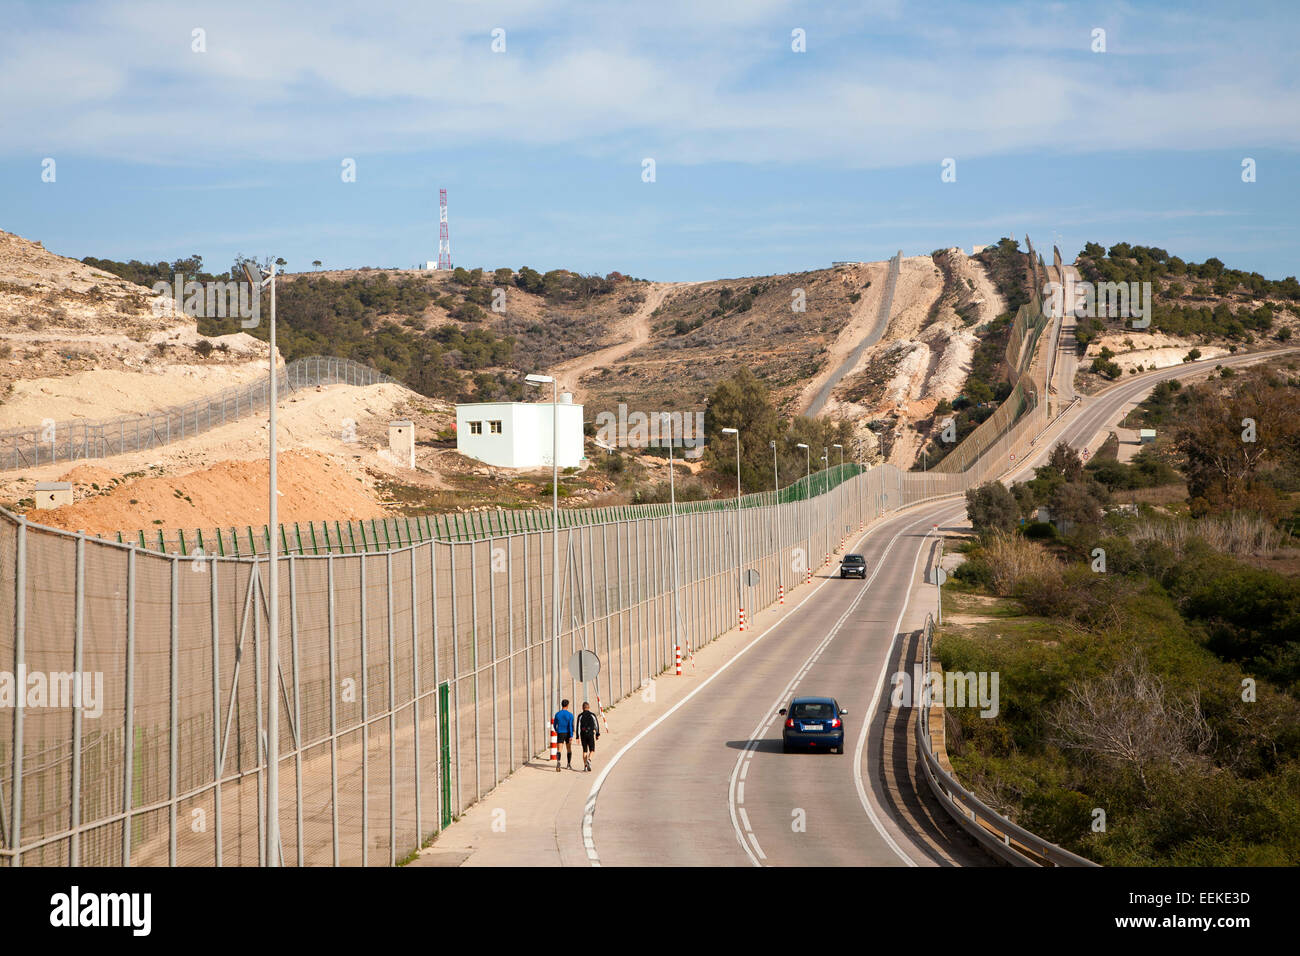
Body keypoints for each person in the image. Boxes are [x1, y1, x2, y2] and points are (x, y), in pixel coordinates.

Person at [577, 701, 600, 772]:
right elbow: (596, 724)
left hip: (583, 734)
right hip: (590, 734)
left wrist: (577, 737)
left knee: (584, 751)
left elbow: (578, 727)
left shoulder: (580, 716)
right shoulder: (592, 715)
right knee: (592, 750)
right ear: (589, 707)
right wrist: (597, 733)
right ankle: (589, 759)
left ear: (582, 708)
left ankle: (585, 766)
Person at [553, 699, 575, 771]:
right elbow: (571, 726)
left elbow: (554, 724)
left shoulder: (557, 714)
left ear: (561, 705)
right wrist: (571, 735)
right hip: (568, 733)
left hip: (560, 732)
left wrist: (557, 730)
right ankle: (568, 764)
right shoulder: (570, 715)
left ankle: (558, 761)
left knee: (559, 749)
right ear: (567, 705)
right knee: (568, 749)